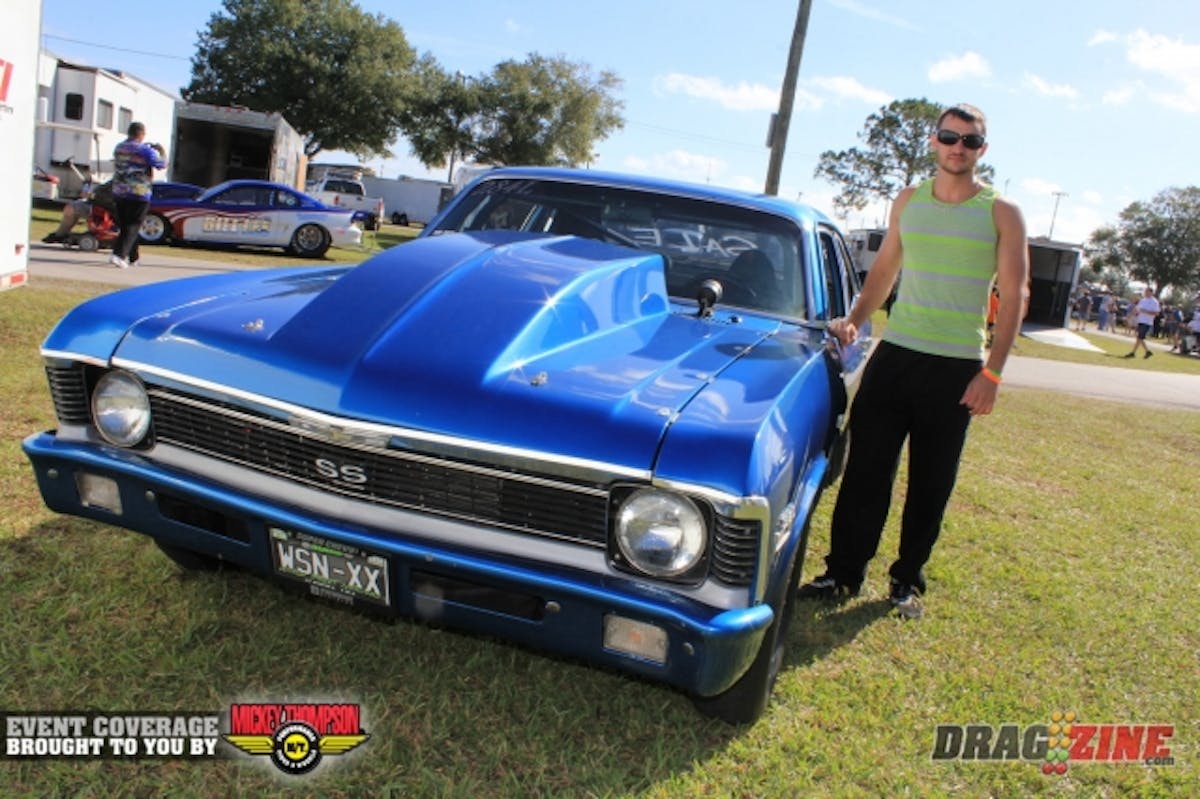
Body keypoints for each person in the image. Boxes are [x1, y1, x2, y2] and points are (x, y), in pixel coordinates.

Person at [797, 103, 1029, 619]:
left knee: (931, 482)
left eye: (969, 141)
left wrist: (992, 373)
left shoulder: (1001, 212)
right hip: (895, 356)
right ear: (934, 141)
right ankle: (842, 573)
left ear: (981, 151)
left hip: (956, 368)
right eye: (950, 137)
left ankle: (906, 581)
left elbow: (1016, 295)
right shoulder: (908, 201)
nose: (958, 147)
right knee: (865, 474)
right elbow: (884, 270)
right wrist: (856, 317)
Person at [109, 122, 166, 268]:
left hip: (119, 191)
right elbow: (161, 164)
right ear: (140, 134)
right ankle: (118, 255)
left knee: (126, 225)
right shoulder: (144, 150)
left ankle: (133, 258)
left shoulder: (119, 148)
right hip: (138, 192)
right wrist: (161, 151)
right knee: (134, 225)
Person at [41, 180, 116, 243]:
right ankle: (60, 234)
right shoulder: (115, 179)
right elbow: (98, 192)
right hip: (97, 206)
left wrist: (93, 195)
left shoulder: (124, 182)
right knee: (71, 208)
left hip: (113, 212)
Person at [1124, 286, 1161, 359]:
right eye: (1145, 291)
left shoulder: (1154, 302)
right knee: (1139, 338)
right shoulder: (1143, 300)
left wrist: (1146, 311)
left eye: (1147, 291)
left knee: (1140, 337)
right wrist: (1130, 316)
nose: (1145, 293)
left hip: (1147, 322)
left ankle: (1133, 352)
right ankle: (1147, 352)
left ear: (1151, 292)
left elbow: (1157, 313)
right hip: (1140, 320)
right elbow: (1137, 309)